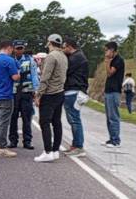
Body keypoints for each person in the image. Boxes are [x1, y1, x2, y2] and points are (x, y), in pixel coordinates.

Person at [33, 34, 68, 163]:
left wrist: (38, 95)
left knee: (44, 122)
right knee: (56, 122)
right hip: (60, 92)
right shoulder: (64, 56)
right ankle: (55, 150)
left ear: (50, 43)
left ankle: (47, 151)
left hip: (49, 94)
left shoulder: (51, 57)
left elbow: (45, 77)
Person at [0, 40, 20, 158]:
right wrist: (20, 73)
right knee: (4, 122)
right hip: (5, 94)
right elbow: (15, 77)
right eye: (12, 49)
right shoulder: (9, 60)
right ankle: (3, 147)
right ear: (9, 48)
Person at [8, 40, 38, 150]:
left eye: (21, 48)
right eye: (17, 48)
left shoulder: (30, 60)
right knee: (13, 118)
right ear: (13, 49)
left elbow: (34, 76)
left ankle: (27, 141)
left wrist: (36, 91)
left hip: (27, 92)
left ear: (24, 49)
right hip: (14, 93)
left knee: (27, 118)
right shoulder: (10, 61)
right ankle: (13, 140)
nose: (19, 50)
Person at [62, 37, 89, 158]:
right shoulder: (78, 56)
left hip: (73, 91)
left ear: (69, 47)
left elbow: (65, 71)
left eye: (64, 47)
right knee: (73, 119)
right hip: (75, 90)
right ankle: (75, 144)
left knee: (74, 120)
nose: (63, 50)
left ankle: (79, 146)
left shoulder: (75, 58)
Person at [103, 41, 125, 147]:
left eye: (107, 50)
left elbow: (109, 73)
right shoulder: (112, 60)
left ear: (112, 50)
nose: (105, 53)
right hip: (108, 91)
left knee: (113, 117)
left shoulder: (118, 60)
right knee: (108, 117)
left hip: (114, 91)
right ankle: (111, 138)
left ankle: (116, 140)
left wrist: (107, 61)